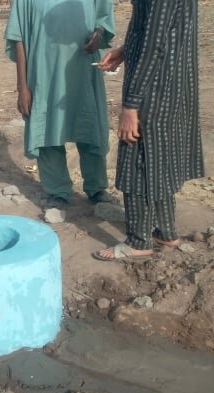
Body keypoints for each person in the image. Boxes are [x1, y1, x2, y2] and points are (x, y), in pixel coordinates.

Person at [93, 0, 203, 261]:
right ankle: (165, 231)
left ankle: (138, 240)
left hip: (154, 90)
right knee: (160, 157)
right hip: (173, 85)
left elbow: (155, 45)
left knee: (137, 158)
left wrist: (131, 105)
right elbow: (157, 31)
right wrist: (124, 50)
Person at [4, 0, 115, 207]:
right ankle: (57, 190)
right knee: (47, 128)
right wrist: (22, 86)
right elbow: (18, 36)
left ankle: (97, 187)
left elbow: (103, 17)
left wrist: (98, 34)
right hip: (43, 71)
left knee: (89, 124)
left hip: (83, 67)